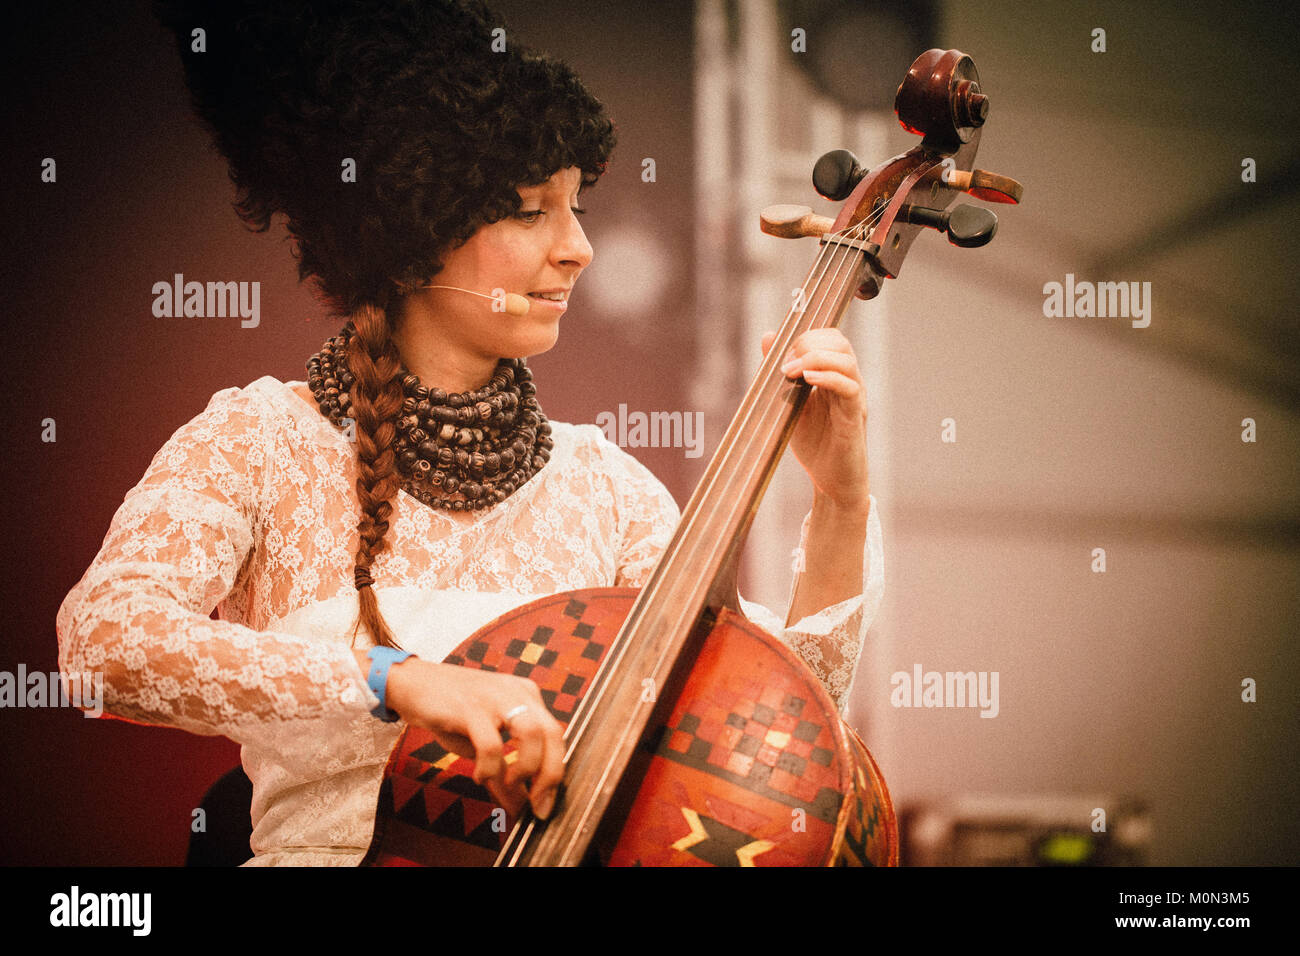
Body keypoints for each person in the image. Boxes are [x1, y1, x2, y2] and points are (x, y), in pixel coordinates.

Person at [56, 0, 884, 866]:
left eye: (578, 208)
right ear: (414, 233)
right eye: (530, 211)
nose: (578, 250)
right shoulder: (260, 440)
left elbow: (780, 744)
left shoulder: (606, 489)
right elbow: (103, 644)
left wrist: (840, 500)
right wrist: (402, 682)